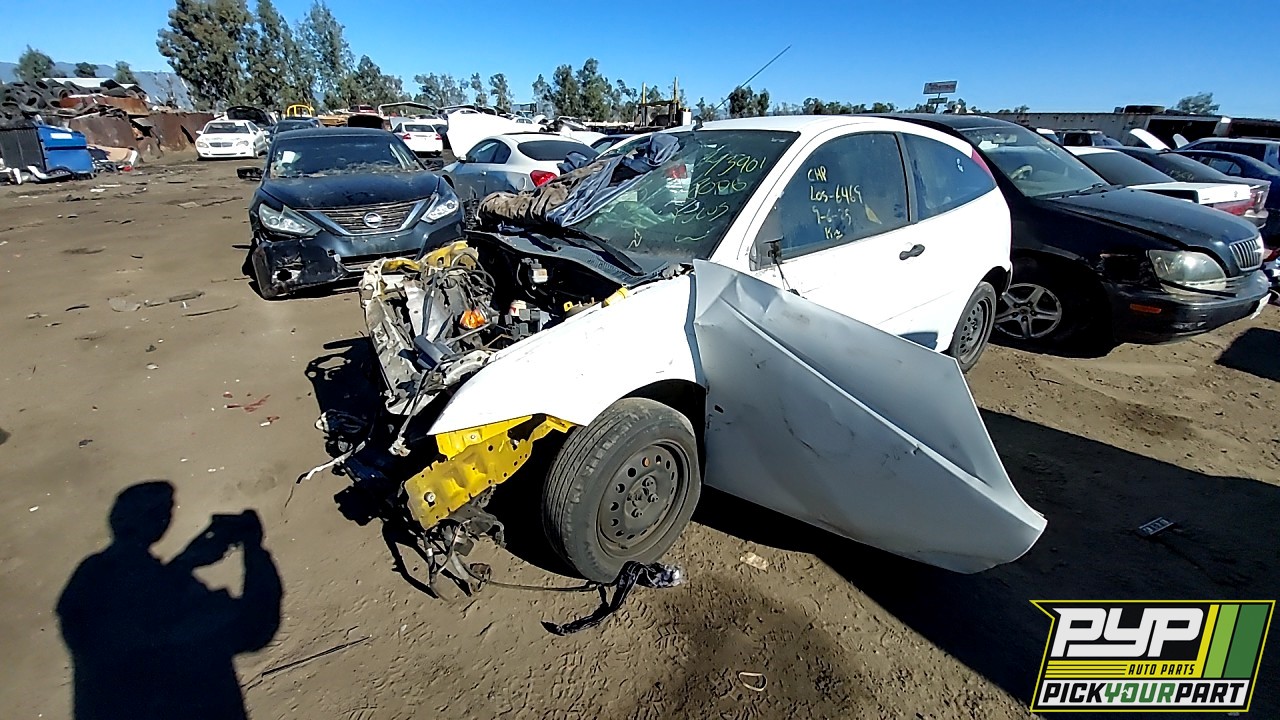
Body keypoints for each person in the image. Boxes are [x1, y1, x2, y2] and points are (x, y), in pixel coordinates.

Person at [56, 481, 282, 720]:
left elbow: (140, 608)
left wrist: (183, 564)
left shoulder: (90, 579)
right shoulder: (183, 609)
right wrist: (255, 551)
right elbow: (254, 626)